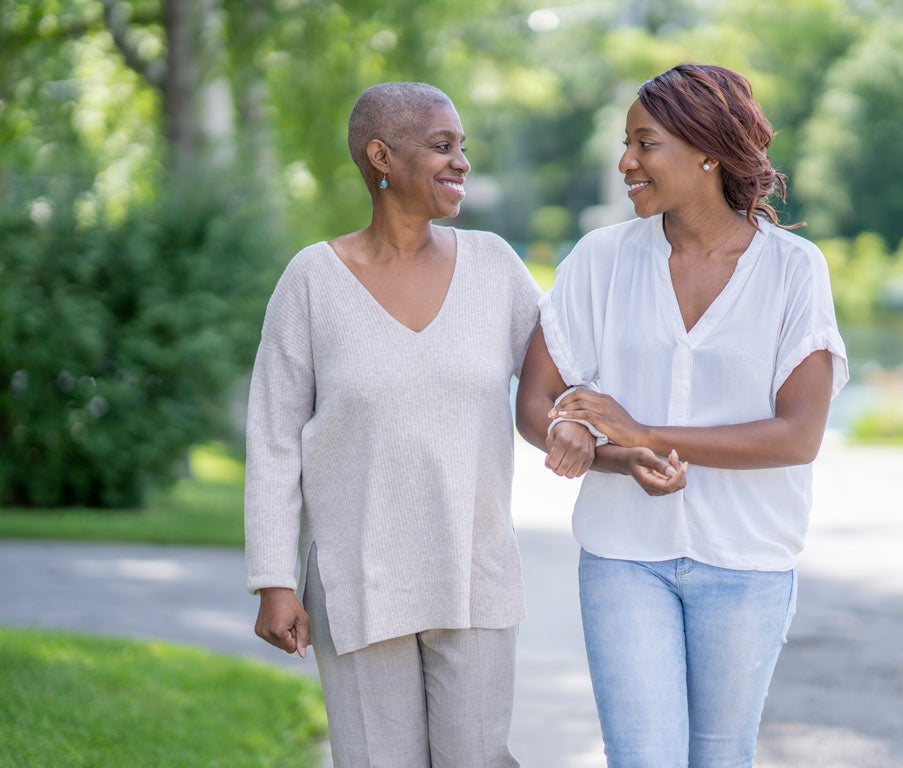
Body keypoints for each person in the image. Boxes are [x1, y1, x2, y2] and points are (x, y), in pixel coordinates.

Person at [516, 63, 849, 768]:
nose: (625, 162)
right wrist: (594, 444)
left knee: (720, 758)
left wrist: (647, 434)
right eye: (627, 143)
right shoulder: (600, 259)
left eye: (645, 144)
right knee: (641, 758)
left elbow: (799, 435)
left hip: (748, 560)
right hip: (623, 556)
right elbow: (538, 403)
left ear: (706, 150)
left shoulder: (794, 269)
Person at [244, 82, 539, 768]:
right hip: (357, 575)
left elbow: (563, 375)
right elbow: (273, 437)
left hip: (474, 568)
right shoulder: (312, 281)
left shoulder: (495, 267)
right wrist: (272, 578)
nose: (462, 161)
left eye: (462, 146)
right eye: (442, 146)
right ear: (382, 156)